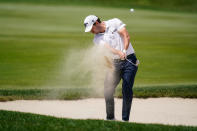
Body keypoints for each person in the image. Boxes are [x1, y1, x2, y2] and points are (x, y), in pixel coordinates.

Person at [83, 15, 138, 121]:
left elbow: (126, 36)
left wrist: (125, 51)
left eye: (91, 29)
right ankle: (110, 118)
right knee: (108, 90)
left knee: (126, 89)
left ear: (96, 23)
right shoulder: (97, 39)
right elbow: (108, 48)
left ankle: (125, 120)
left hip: (129, 61)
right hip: (115, 64)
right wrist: (119, 53)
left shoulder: (114, 22)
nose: (91, 32)